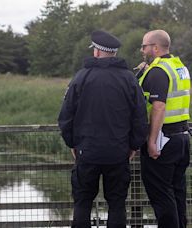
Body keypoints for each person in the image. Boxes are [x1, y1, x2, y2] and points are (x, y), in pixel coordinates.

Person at [58, 30, 148, 228]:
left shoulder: (81, 78)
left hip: (86, 150)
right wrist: (133, 145)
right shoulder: (129, 80)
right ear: (114, 53)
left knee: (82, 202)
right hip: (118, 152)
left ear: (97, 52)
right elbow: (140, 118)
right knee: (117, 204)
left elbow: (65, 116)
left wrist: (72, 143)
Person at [137, 30, 191, 228]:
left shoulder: (158, 72)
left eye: (144, 46)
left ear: (155, 48)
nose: (142, 50)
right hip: (182, 138)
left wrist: (151, 141)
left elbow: (158, 106)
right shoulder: (178, 67)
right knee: (177, 193)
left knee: (161, 195)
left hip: (163, 140)